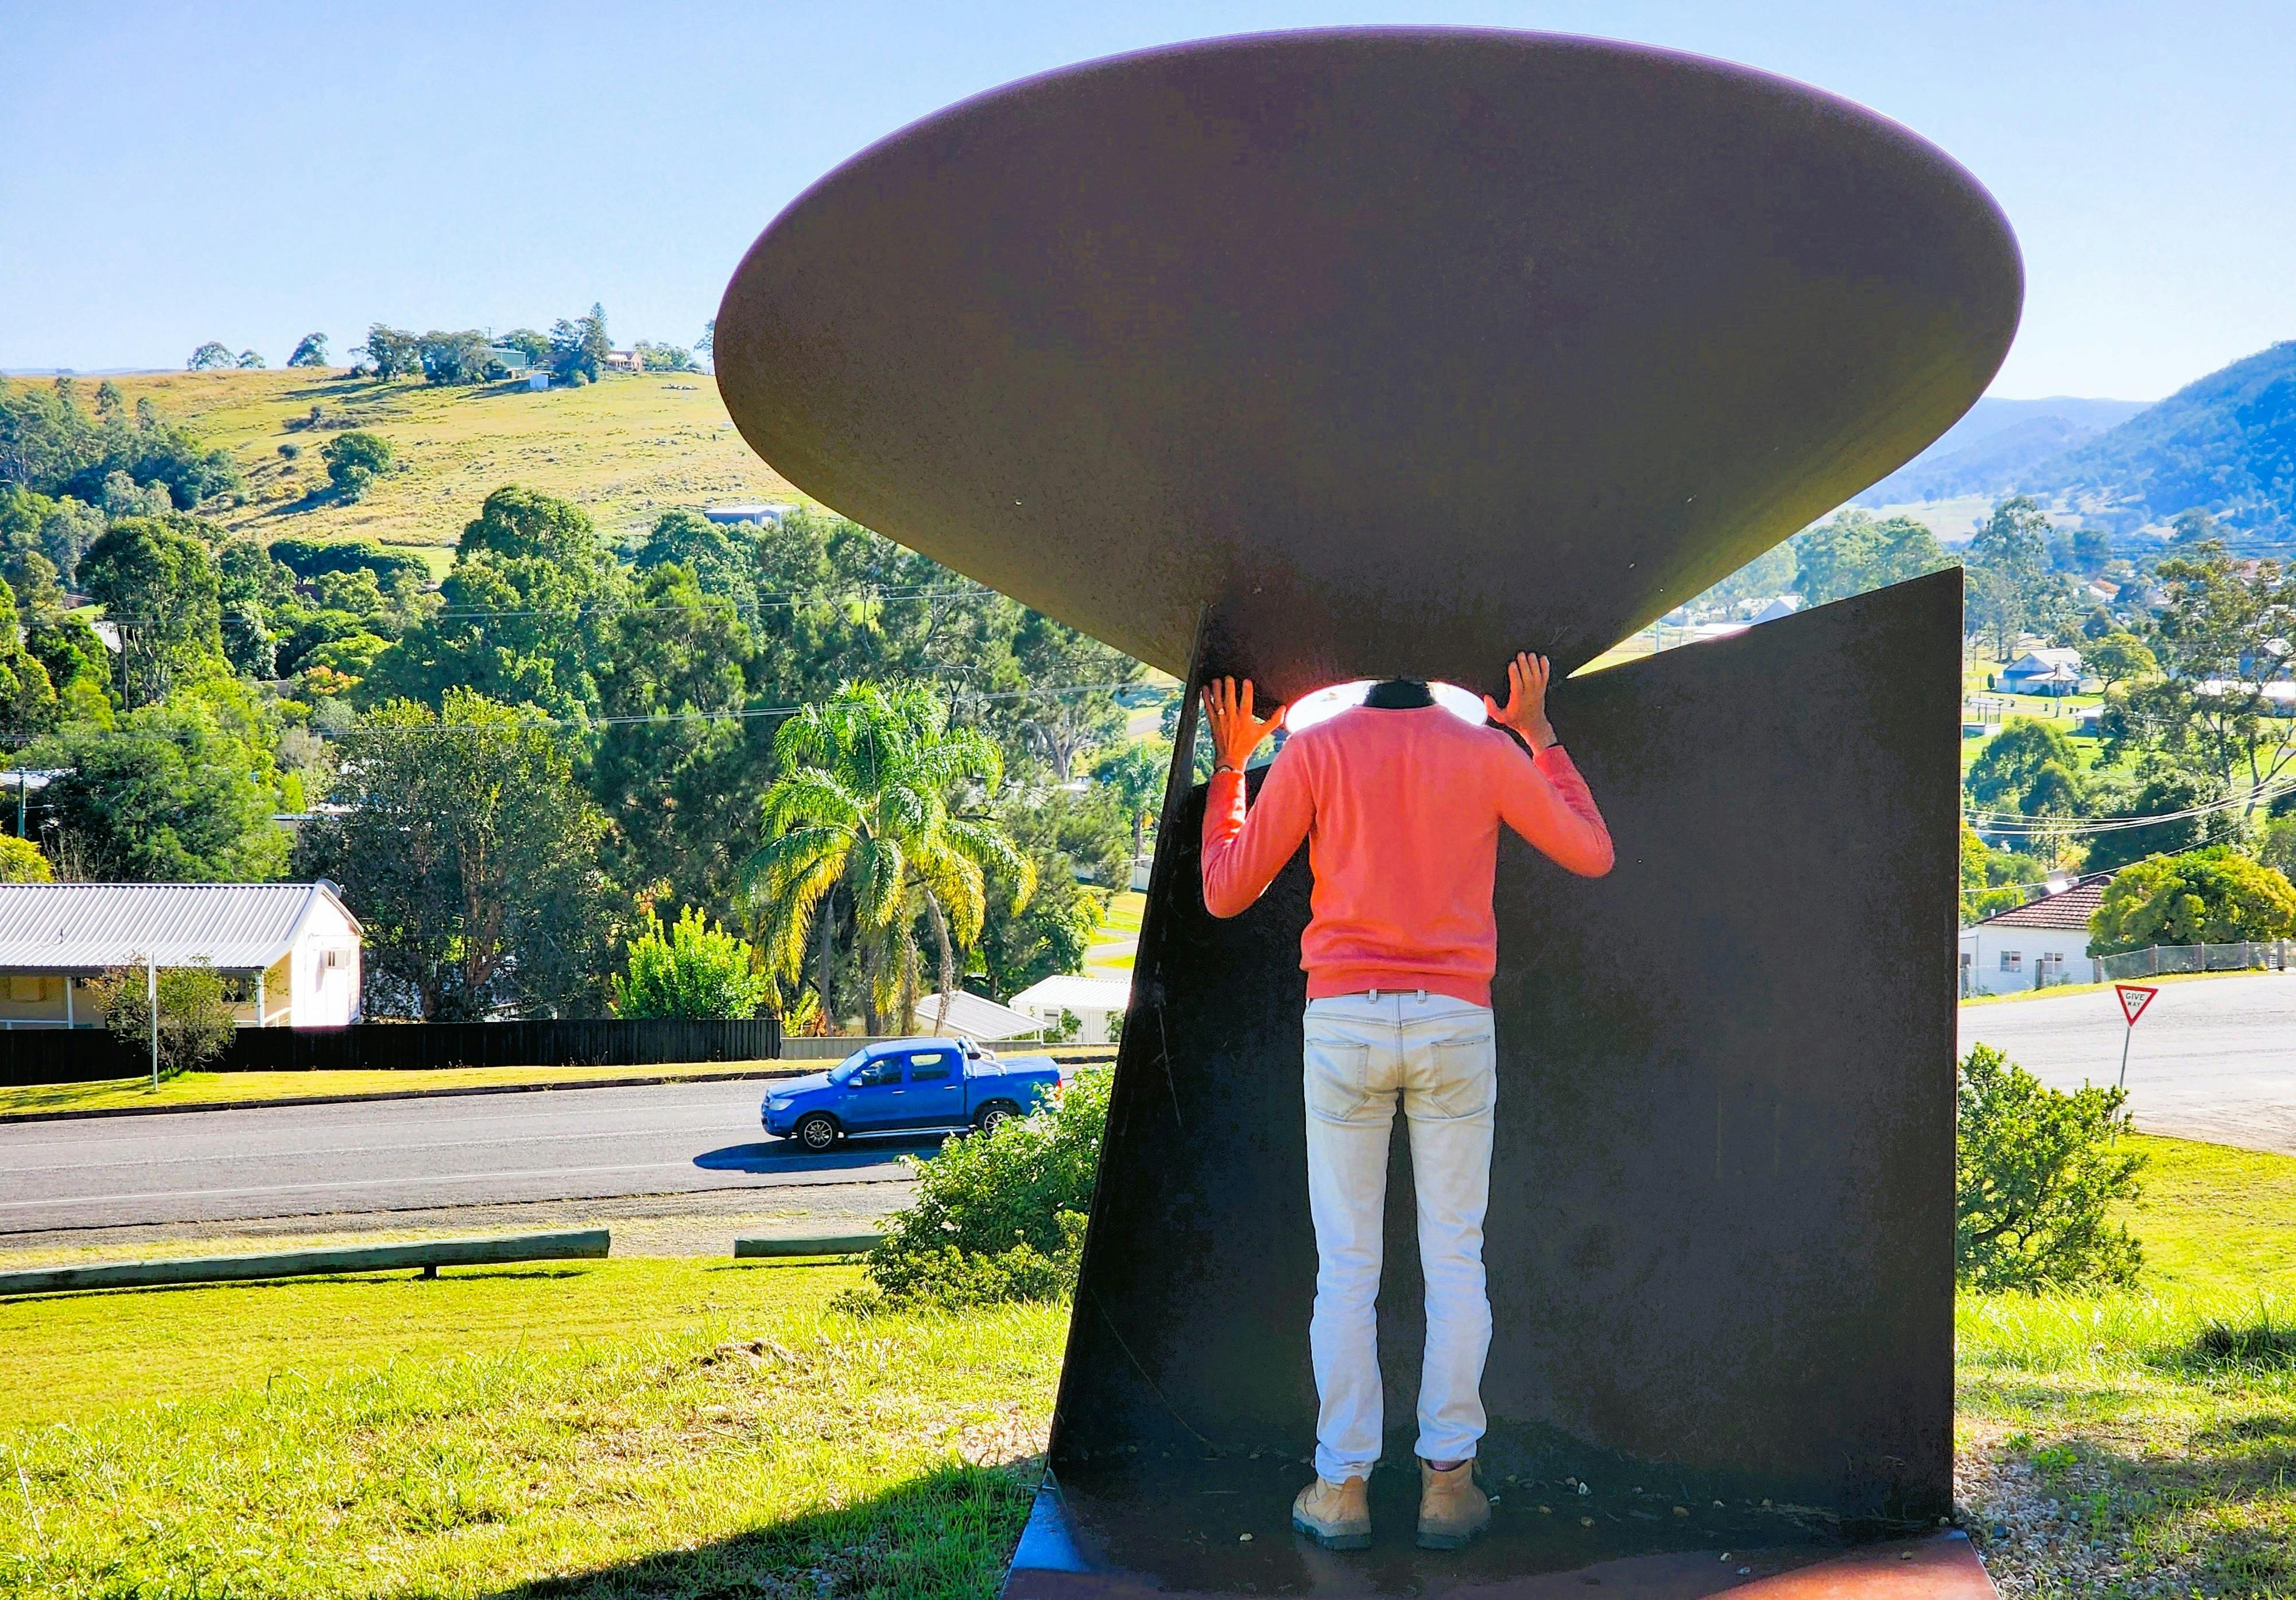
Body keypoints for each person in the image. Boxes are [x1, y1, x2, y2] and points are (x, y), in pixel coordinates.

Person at [1198, 654, 1615, 1552]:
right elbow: (1592, 852)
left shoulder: (1316, 748)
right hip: (1455, 1025)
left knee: (1347, 1269)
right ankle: (1449, 1489)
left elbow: (1226, 889)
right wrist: (1537, 734)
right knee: (1455, 1261)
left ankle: (1340, 1490)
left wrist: (1232, 765)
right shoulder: (1485, 747)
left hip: (1342, 1023)